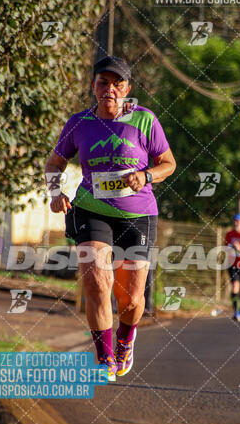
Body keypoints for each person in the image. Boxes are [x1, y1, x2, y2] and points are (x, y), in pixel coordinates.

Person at [45, 56, 176, 381]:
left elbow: (168, 163)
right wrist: (54, 193)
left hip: (138, 215)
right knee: (96, 281)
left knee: (132, 298)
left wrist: (146, 176)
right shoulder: (79, 123)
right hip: (92, 209)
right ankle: (104, 357)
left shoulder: (145, 121)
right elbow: (54, 163)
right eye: (103, 83)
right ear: (94, 87)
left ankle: (124, 341)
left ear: (127, 89)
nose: (110, 90)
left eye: (117, 84)